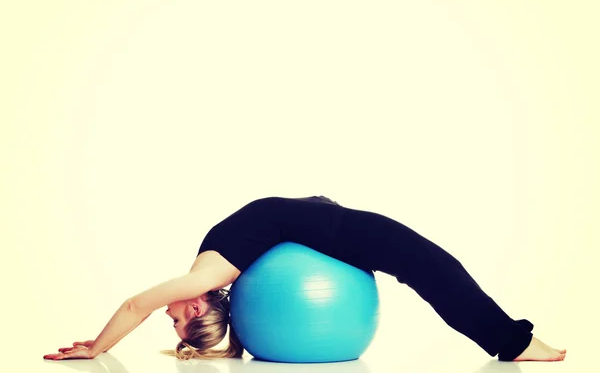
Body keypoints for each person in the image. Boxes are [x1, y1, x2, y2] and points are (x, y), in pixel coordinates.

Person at [43, 195, 567, 362]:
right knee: (437, 271)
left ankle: (513, 341)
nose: (170, 313)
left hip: (336, 227)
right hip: (344, 234)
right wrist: (97, 349)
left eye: (174, 319)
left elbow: (137, 303)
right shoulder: (206, 275)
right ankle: (515, 343)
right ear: (198, 307)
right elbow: (136, 304)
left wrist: (96, 349)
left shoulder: (212, 269)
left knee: (437, 270)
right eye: (177, 322)